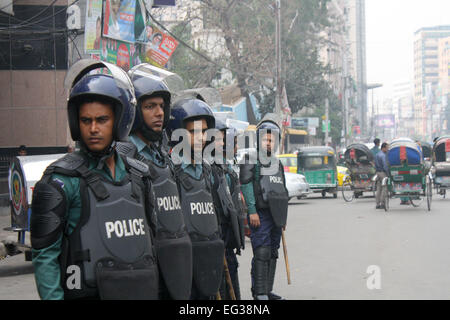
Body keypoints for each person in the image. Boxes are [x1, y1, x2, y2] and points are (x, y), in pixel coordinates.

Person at [30, 60, 159, 300]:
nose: (93, 129)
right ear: (76, 123)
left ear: (119, 121)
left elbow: (153, 242)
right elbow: (45, 256)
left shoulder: (139, 175)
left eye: (102, 120)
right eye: (85, 121)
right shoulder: (61, 181)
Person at [116, 66, 192, 300]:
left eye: (161, 106)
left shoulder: (163, 155)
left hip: (172, 260)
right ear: (135, 112)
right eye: (150, 107)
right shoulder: (121, 156)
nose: (159, 113)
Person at [167, 98, 224, 300]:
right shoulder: (167, 170)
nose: (201, 138)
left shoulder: (207, 169)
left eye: (204, 132)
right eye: (193, 132)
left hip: (207, 257)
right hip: (181, 263)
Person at [239, 118, 289, 300]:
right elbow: (245, 185)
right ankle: (259, 293)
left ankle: (267, 290)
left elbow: (282, 190)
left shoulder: (278, 164)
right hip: (259, 214)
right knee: (262, 252)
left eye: (272, 140)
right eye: (265, 139)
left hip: (275, 215)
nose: (269, 143)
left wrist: (282, 218)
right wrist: (251, 210)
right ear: (258, 140)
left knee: (273, 253)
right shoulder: (250, 159)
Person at [211, 119, 244, 300]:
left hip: (228, 233)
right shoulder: (208, 168)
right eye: (218, 139)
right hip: (217, 234)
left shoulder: (225, 166)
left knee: (231, 271)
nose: (223, 143)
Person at [375, 142, 389, 209]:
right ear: (383, 148)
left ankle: (377, 204)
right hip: (383, 173)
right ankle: (382, 203)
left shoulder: (377, 154)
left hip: (378, 172)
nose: (388, 149)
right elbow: (385, 166)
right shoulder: (383, 155)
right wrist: (388, 173)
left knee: (379, 188)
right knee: (384, 188)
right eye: (387, 148)